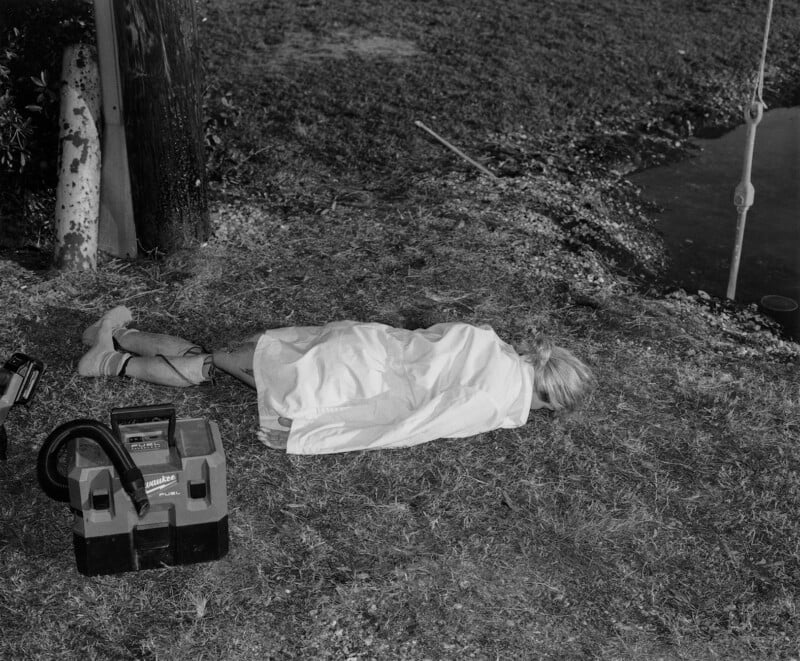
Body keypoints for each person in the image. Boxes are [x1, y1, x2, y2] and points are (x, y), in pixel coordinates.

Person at [78, 306, 593, 454]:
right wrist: (308, 437)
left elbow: (429, 339)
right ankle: (113, 348)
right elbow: (414, 425)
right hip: (344, 377)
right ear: (547, 398)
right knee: (218, 362)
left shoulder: (490, 343)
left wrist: (306, 434)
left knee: (218, 361)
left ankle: (115, 344)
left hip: (353, 349)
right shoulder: (493, 399)